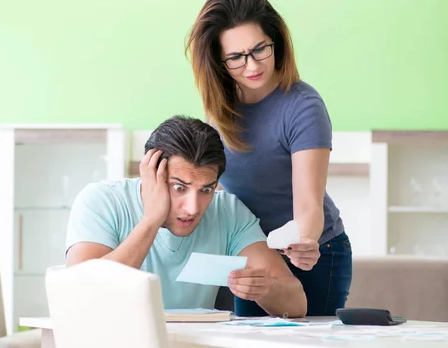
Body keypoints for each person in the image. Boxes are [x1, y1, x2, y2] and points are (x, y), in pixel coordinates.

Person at [185, 0, 352, 316]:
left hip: (313, 255)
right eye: (235, 57)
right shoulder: (220, 109)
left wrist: (305, 242)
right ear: (218, 61)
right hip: (252, 253)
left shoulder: (302, 106)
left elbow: (308, 204)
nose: (251, 66)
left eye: (259, 49)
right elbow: (216, 190)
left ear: (276, 41)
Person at [66, 115, 306, 317]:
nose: (192, 208)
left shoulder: (228, 211)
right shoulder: (101, 201)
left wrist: (266, 289)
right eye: (179, 188)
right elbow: (83, 296)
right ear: (151, 174)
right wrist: (152, 218)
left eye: (206, 189)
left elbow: (297, 304)